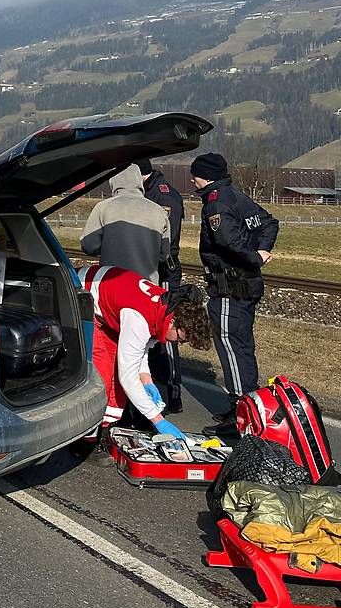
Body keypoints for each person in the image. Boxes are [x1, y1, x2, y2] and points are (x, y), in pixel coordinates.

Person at [76, 264, 212, 460]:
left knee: (117, 383)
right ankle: (84, 444)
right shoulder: (140, 316)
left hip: (110, 306)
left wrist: (147, 380)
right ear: (174, 322)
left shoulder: (168, 309)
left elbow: (142, 348)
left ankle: (103, 434)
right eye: (181, 339)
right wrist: (158, 420)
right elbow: (128, 377)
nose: (179, 344)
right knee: (103, 378)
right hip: (84, 296)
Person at [190, 153, 279, 436]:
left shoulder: (216, 201)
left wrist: (254, 257)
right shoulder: (237, 196)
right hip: (247, 285)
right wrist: (262, 252)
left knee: (230, 345)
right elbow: (269, 222)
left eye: (195, 174)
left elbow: (227, 241)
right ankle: (246, 403)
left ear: (206, 175)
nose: (192, 180)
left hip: (230, 286)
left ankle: (242, 413)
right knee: (243, 344)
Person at [139, 158, 187, 414]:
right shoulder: (151, 192)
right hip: (152, 270)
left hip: (164, 270)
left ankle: (171, 393)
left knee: (166, 332)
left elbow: (167, 239)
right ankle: (155, 387)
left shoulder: (162, 196)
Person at [80, 164, 171, 282]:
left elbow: (89, 246)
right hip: (146, 287)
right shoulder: (159, 211)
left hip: (111, 284)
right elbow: (164, 255)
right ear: (139, 180)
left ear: (113, 180)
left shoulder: (103, 208)